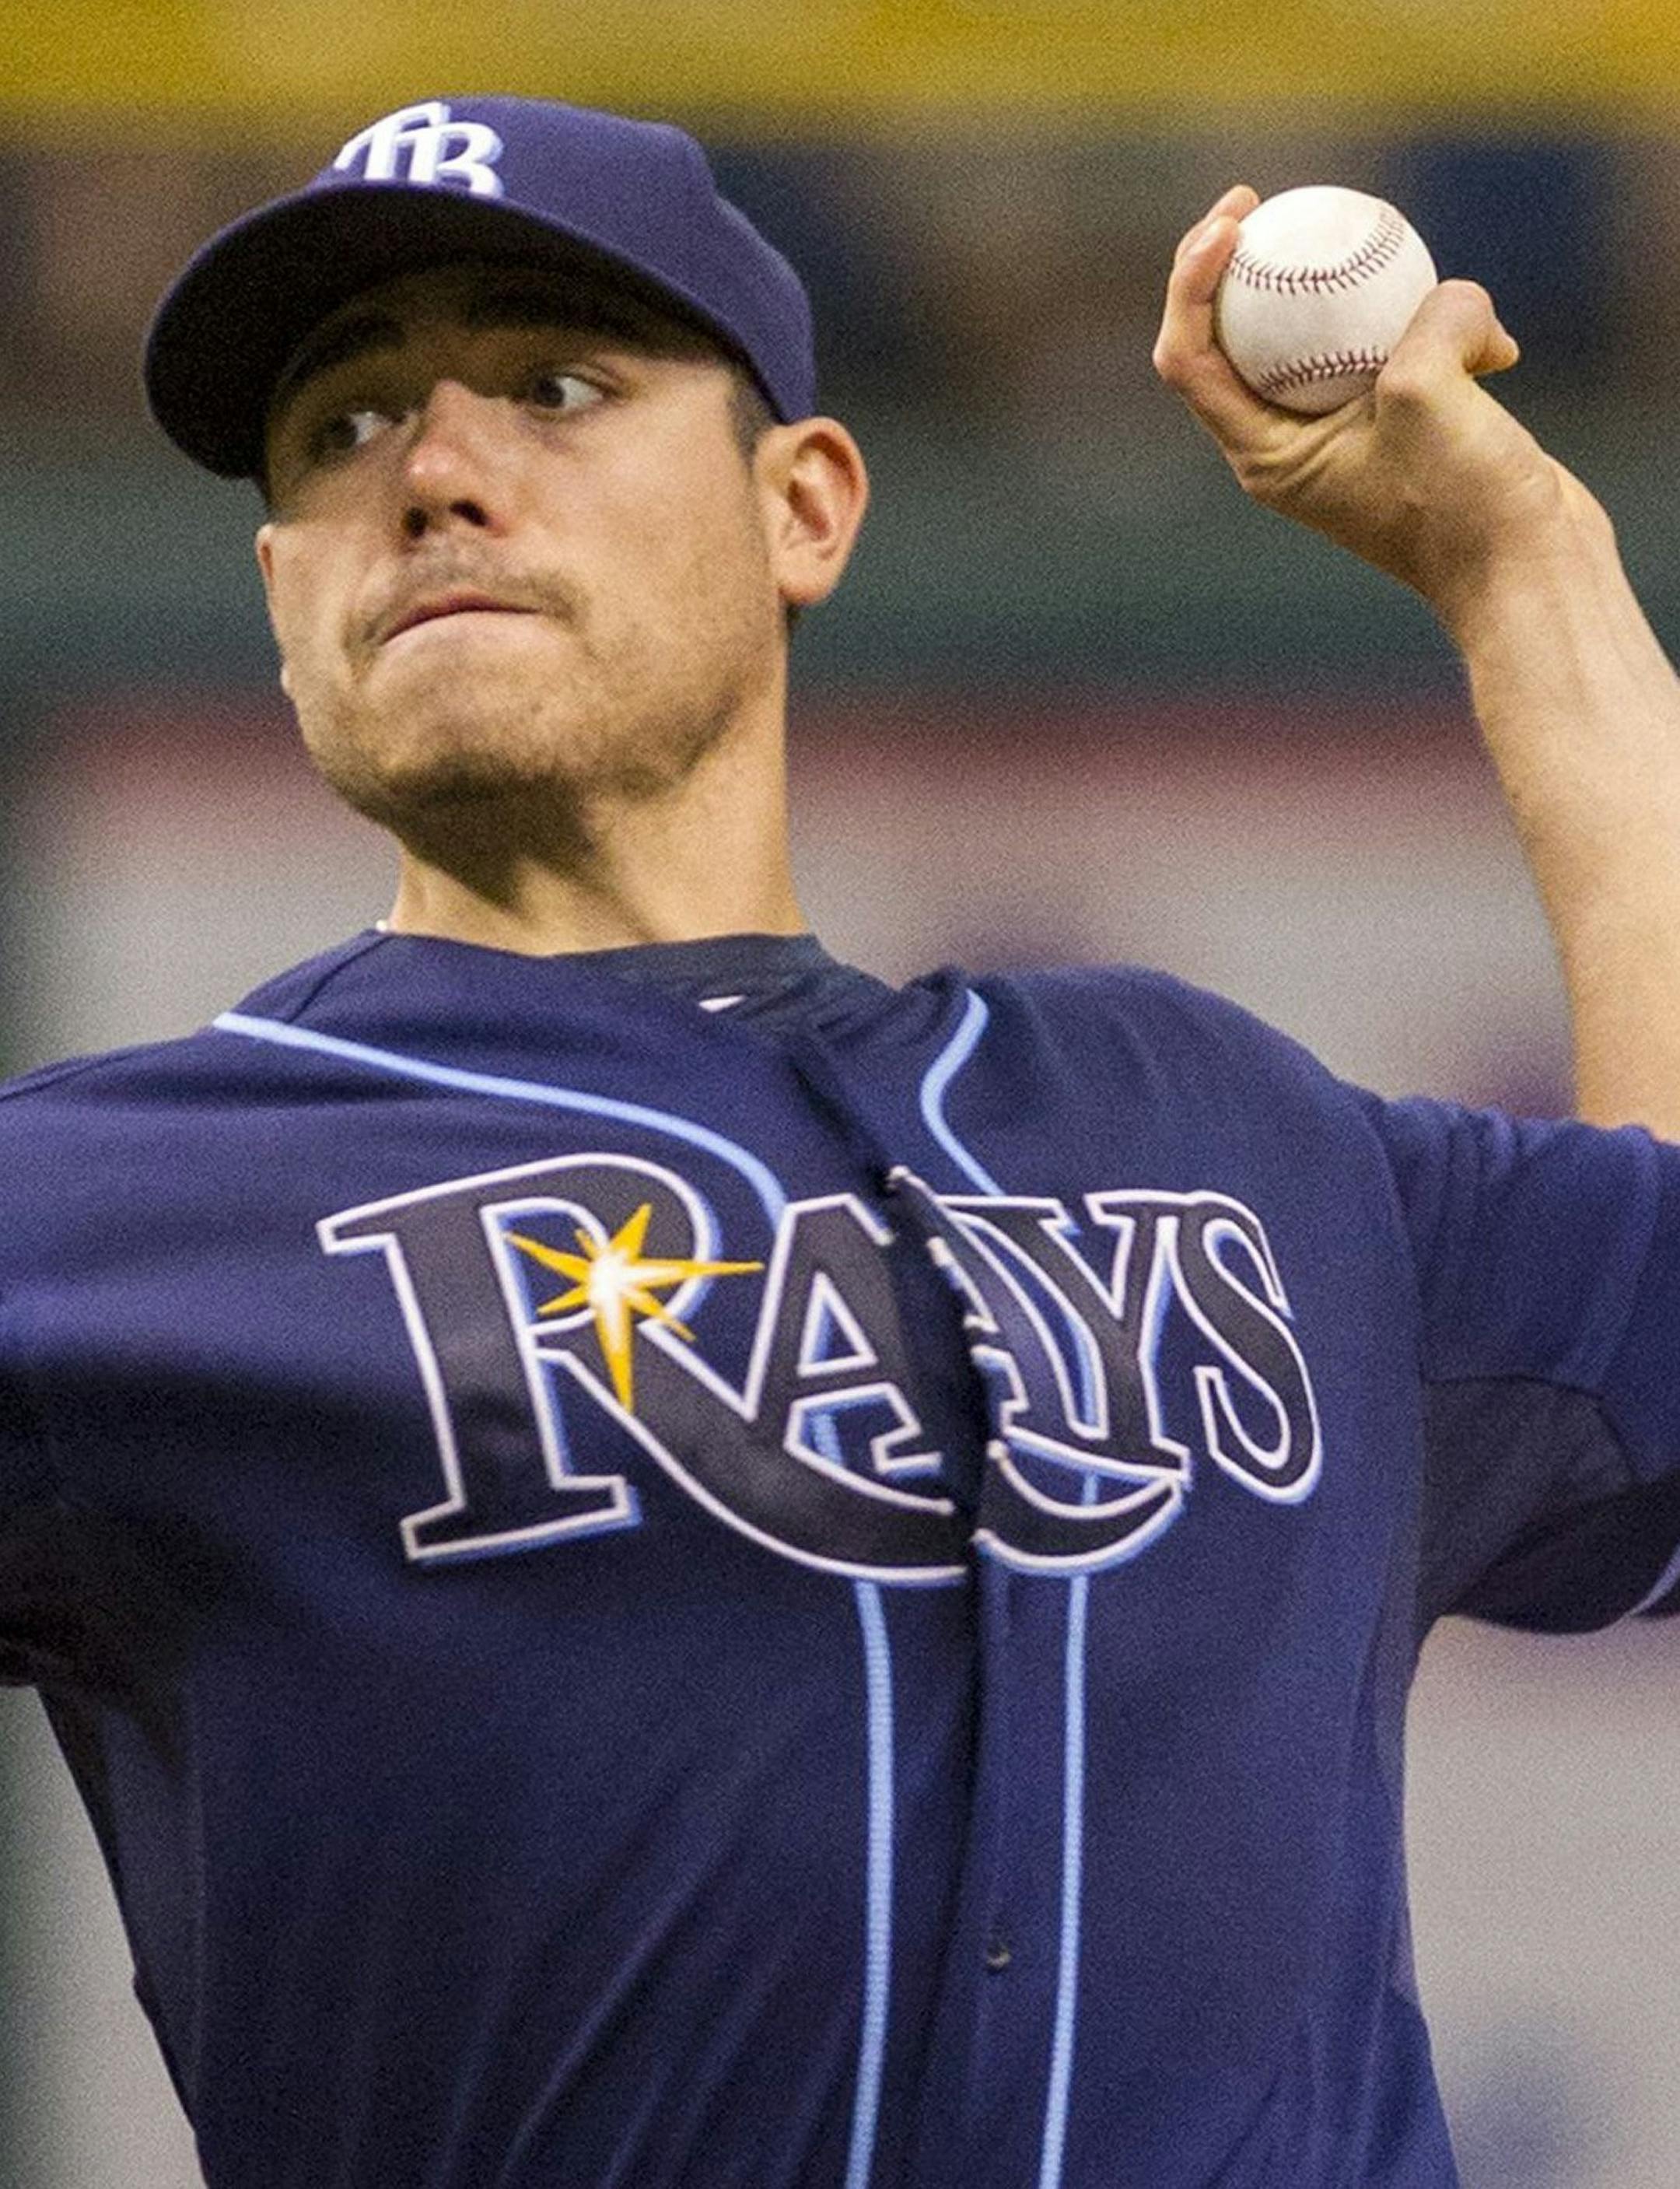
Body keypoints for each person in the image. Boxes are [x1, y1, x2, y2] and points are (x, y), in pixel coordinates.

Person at [2, 93, 1678, 2189]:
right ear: (282, 601)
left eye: (555, 383)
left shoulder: (1221, 1127)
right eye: (340, 429)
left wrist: (1526, 563)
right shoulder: (102, 1214)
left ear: (806, 505)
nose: (431, 472)